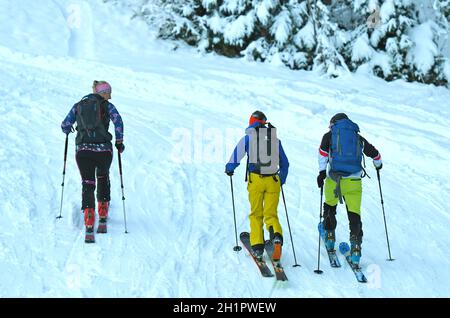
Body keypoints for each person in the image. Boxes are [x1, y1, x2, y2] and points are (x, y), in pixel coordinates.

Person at [61, 81, 124, 242]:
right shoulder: (107, 106)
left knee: (87, 183)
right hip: (104, 151)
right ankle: (102, 214)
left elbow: (65, 125)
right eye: (108, 92)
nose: (110, 95)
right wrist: (119, 142)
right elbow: (118, 122)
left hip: (83, 151)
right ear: (102, 92)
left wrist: (69, 130)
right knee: (103, 177)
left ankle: (89, 220)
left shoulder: (79, 105)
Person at [317, 113, 382, 266]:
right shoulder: (357, 137)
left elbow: (322, 155)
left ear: (333, 124)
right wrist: (378, 166)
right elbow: (376, 155)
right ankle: (356, 249)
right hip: (354, 182)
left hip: (334, 180)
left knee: (330, 208)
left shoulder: (329, 135)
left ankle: (330, 238)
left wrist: (321, 174)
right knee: (354, 215)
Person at [225, 111, 289, 262]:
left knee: (256, 214)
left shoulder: (248, 137)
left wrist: (229, 168)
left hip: (256, 180)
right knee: (271, 214)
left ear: (251, 122)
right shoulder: (275, 139)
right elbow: (285, 163)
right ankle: (276, 237)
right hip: (273, 180)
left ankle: (258, 248)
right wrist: (281, 180)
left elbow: (236, 155)